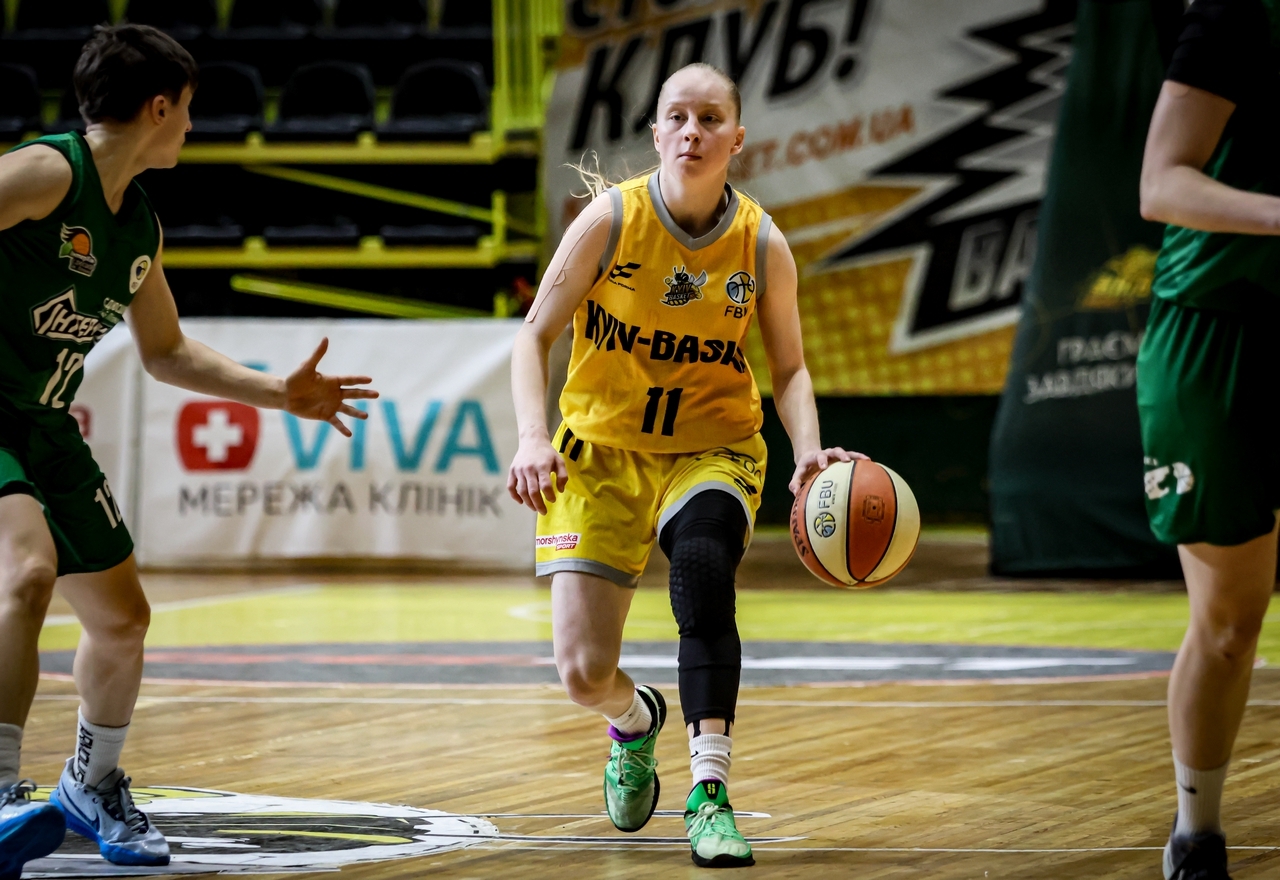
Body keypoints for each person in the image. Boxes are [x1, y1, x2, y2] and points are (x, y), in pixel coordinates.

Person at [0, 25, 376, 877]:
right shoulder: (46, 172)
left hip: (44, 422)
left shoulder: (138, 226)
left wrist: (279, 392)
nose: (194, 127)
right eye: (191, 110)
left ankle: (90, 784)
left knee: (122, 621)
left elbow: (165, 352)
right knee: (25, 572)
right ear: (160, 106)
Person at [507, 62, 859, 869]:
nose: (693, 132)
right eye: (678, 117)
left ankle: (710, 794)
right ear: (658, 133)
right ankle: (635, 722)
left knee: (701, 569)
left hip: (712, 447)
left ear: (738, 139)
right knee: (582, 674)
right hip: (600, 455)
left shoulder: (761, 243)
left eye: (710, 119)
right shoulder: (609, 221)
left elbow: (791, 370)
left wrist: (809, 452)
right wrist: (531, 437)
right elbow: (533, 336)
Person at [1138, 2, 1280, 878]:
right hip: (1217, 329)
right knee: (1229, 624)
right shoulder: (1239, 16)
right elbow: (1162, 183)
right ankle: (1197, 834)